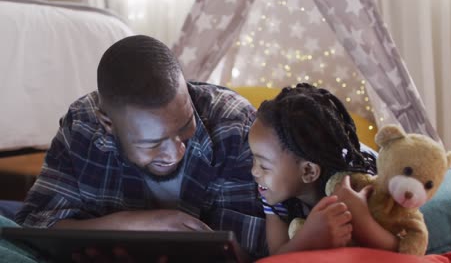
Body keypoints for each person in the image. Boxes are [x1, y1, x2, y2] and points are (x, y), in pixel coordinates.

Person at [14, 35, 267, 260]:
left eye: (185, 126)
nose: (175, 151)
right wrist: (135, 225)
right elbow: (37, 224)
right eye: (153, 143)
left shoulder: (236, 126)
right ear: (108, 123)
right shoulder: (82, 125)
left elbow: (256, 248)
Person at [248, 83, 399, 255]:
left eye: (264, 166)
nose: (254, 171)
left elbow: (403, 250)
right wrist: (308, 238)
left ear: (308, 171)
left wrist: (362, 220)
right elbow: (277, 257)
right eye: (253, 159)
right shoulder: (274, 196)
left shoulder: (360, 185)